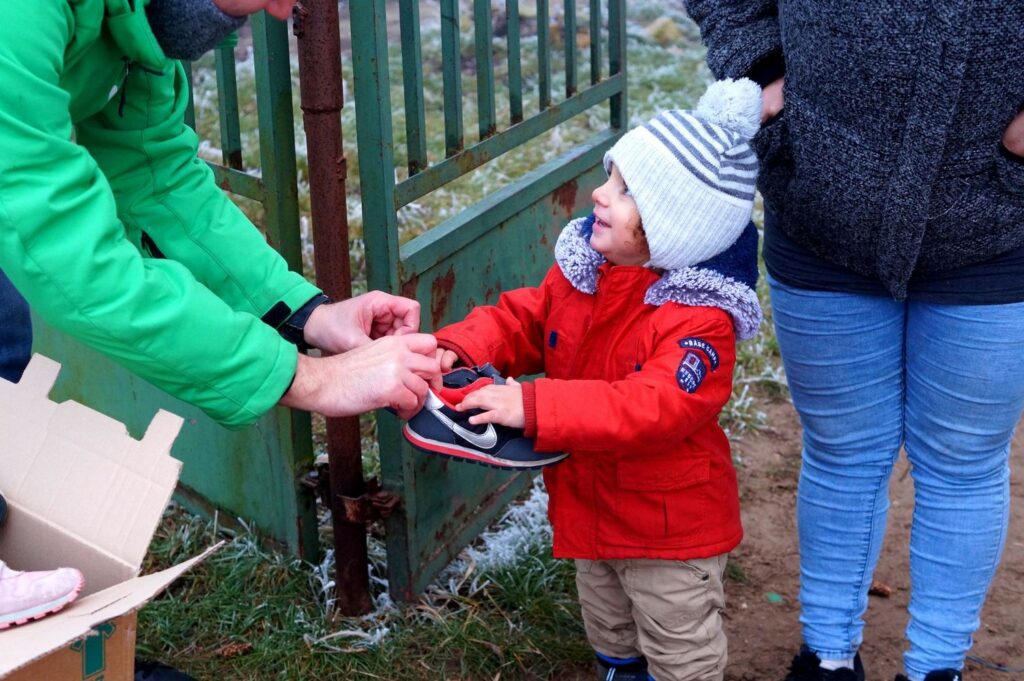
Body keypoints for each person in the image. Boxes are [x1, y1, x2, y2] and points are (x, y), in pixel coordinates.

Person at [0, 0, 439, 662]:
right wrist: (303, 375)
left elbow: (157, 178)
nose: (294, 9)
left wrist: (307, 313)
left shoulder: (135, 28)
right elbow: (64, 247)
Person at [682, 3, 1024, 681]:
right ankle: (828, 655)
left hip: (999, 222)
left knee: (963, 460)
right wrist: (761, 66)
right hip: (821, 204)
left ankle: (935, 668)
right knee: (842, 451)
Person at [432, 79, 764, 681]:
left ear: (676, 223)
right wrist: (459, 349)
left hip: (669, 535)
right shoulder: (592, 273)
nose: (598, 194)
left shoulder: (701, 325)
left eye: (625, 189)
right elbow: (527, 318)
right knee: (609, 625)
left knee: (678, 644)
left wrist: (532, 406)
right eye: (610, 178)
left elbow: (652, 405)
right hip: (589, 508)